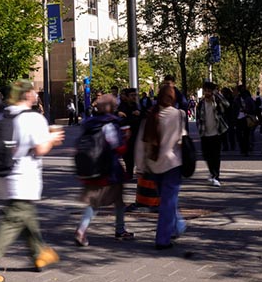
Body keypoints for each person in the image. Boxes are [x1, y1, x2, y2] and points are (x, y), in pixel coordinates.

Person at [0, 80, 65, 282]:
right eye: (33, 92)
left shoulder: (4, 114)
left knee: (25, 215)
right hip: (24, 178)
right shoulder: (34, 118)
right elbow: (40, 149)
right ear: (29, 95)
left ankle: (40, 253)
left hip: (3, 176)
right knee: (11, 221)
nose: (36, 95)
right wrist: (53, 138)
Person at [74, 94, 134, 246]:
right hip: (109, 170)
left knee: (94, 203)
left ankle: (82, 228)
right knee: (119, 202)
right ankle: (119, 230)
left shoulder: (89, 122)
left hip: (90, 168)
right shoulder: (110, 124)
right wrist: (126, 138)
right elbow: (118, 147)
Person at [135, 84, 186, 250]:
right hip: (172, 163)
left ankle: (176, 226)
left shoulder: (150, 115)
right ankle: (163, 239)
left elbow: (141, 144)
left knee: (167, 200)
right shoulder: (178, 115)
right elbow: (181, 139)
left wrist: (140, 166)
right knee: (167, 202)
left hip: (153, 164)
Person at [196, 81, 228, 187]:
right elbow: (198, 119)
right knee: (206, 155)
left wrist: (217, 93)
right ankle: (212, 173)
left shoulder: (217, 102)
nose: (207, 93)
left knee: (216, 156)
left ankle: (216, 176)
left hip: (216, 133)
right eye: (206, 91)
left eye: (209, 91)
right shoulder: (201, 104)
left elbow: (227, 104)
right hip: (205, 133)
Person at [117, 88, 142, 180]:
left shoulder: (138, 106)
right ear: (127, 97)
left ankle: (135, 172)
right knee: (128, 155)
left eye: (135, 95)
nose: (134, 97)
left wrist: (140, 114)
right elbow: (121, 121)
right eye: (132, 95)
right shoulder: (122, 108)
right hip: (127, 135)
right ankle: (129, 172)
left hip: (137, 134)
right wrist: (132, 116)